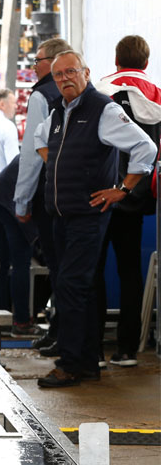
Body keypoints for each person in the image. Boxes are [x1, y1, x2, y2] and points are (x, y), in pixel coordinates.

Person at [28, 50, 156, 387]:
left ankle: (71, 364)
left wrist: (123, 190)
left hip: (88, 215)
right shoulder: (58, 111)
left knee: (71, 286)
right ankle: (86, 363)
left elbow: (146, 148)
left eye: (71, 72)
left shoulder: (104, 108)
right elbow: (40, 139)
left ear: (86, 72)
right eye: (58, 75)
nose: (65, 79)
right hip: (61, 215)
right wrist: (56, 159)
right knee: (77, 288)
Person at [92, 35, 161, 367]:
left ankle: (93, 349)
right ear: (146, 62)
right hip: (139, 197)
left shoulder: (104, 92)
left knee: (93, 270)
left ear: (117, 60)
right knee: (130, 271)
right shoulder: (158, 97)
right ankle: (127, 349)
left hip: (102, 193)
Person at [14, 38, 72, 354]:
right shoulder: (88, 95)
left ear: (52, 61)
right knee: (71, 266)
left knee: (58, 265)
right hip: (79, 194)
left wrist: (22, 199)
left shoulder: (41, 95)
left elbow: (32, 154)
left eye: (36, 60)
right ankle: (67, 334)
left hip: (50, 193)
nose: (33, 66)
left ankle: (62, 335)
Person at [0, 157, 36, 335]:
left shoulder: (35, 145)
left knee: (0, 262)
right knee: (20, 263)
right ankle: (21, 322)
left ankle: (0, 322)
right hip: (11, 205)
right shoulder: (51, 149)